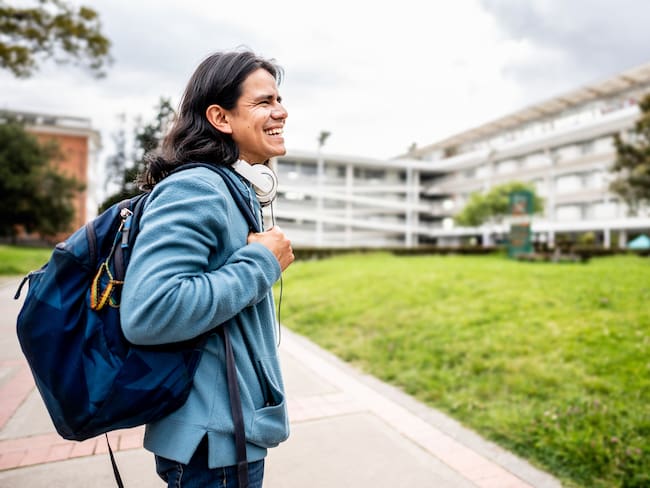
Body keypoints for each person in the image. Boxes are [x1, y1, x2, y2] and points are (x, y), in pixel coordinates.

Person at [120, 49, 294, 488]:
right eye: (264, 102)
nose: (281, 111)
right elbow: (149, 310)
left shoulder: (228, 189)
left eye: (279, 99)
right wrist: (261, 264)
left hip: (228, 437)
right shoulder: (198, 187)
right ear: (220, 117)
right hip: (213, 447)